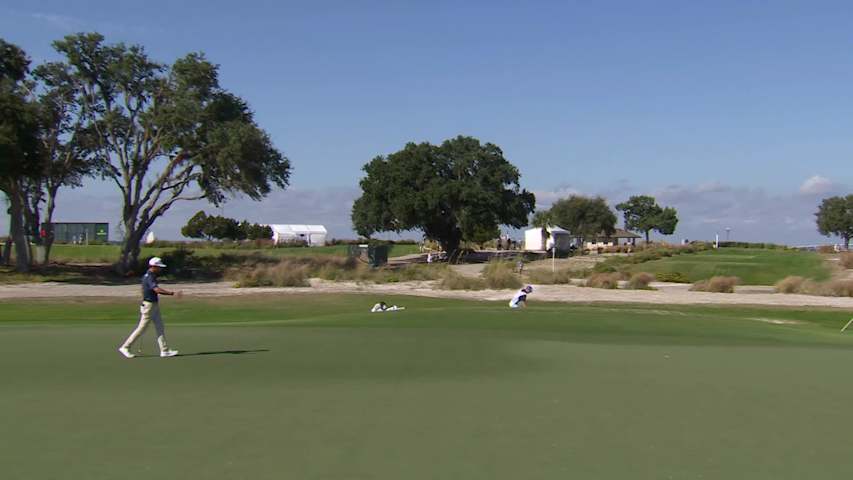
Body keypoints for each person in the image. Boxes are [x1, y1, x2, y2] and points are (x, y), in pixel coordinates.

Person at [118, 257, 180, 358]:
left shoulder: (149, 275)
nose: (160, 269)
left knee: (160, 327)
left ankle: (164, 350)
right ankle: (125, 347)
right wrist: (171, 293)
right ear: (154, 267)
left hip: (153, 305)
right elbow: (156, 289)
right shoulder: (150, 276)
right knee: (142, 328)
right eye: (159, 267)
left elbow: (143, 290)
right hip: (149, 306)